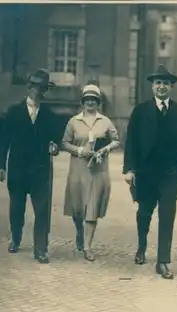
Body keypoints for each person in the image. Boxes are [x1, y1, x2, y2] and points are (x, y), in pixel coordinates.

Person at [122, 65, 177, 280]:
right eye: (158, 83)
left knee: (167, 214)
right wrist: (129, 169)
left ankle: (163, 261)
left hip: (170, 173)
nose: (161, 87)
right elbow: (131, 143)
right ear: (152, 86)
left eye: (165, 83)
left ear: (171, 87)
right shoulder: (140, 110)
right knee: (144, 212)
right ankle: (141, 246)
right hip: (145, 172)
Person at [0, 69, 64, 264]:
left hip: (40, 171)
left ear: (45, 91)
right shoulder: (14, 112)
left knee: (42, 210)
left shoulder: (50, 116)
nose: (37, 91)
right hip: (17, 169)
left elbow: (56, 139)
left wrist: (54, 146)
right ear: (28, 88)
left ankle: (40, 249)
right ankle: (15, 239)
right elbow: (3, 140)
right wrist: (0, 166)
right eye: (34, 87)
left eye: (41, 88)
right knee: (17, 208)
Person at [61, 84, 120, 261]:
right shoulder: (73, 121)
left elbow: (116, 141)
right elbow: (64, 143)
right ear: (82, 102)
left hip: (98, 170)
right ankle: (80, 231)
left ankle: (87, 246)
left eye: (94, 100)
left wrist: (105, 149)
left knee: (92, 208)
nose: (90, 102)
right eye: (87, 99)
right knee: (78, 208)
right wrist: (79, 151)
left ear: (98, 102)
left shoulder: (105, 121)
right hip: (78, 169)